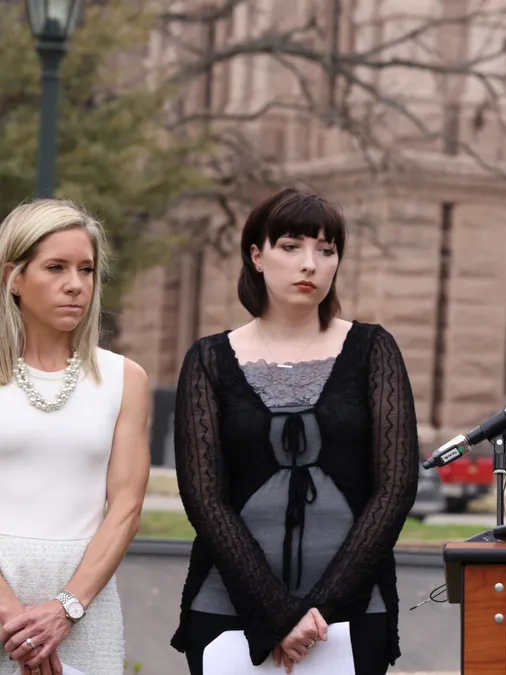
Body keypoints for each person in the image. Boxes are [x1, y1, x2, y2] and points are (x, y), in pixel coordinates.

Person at [169, 188, 420, 674]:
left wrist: (318, 611)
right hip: (227, 611)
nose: (311, 263)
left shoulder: (373, 349)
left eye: (326, 251)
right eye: (292, 247)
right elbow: (203, 498)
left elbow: (395, 489)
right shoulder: (208, 359)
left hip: (349, 615)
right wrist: (280, 615)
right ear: (256, 256)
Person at [0, 199, 151, 675]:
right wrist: (15, 620)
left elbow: (126, 508)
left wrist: (65, 608)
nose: (75, 284)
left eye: (86, 270)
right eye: (55, 267)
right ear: (14, 277)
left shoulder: (125, 378)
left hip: (85, 600)